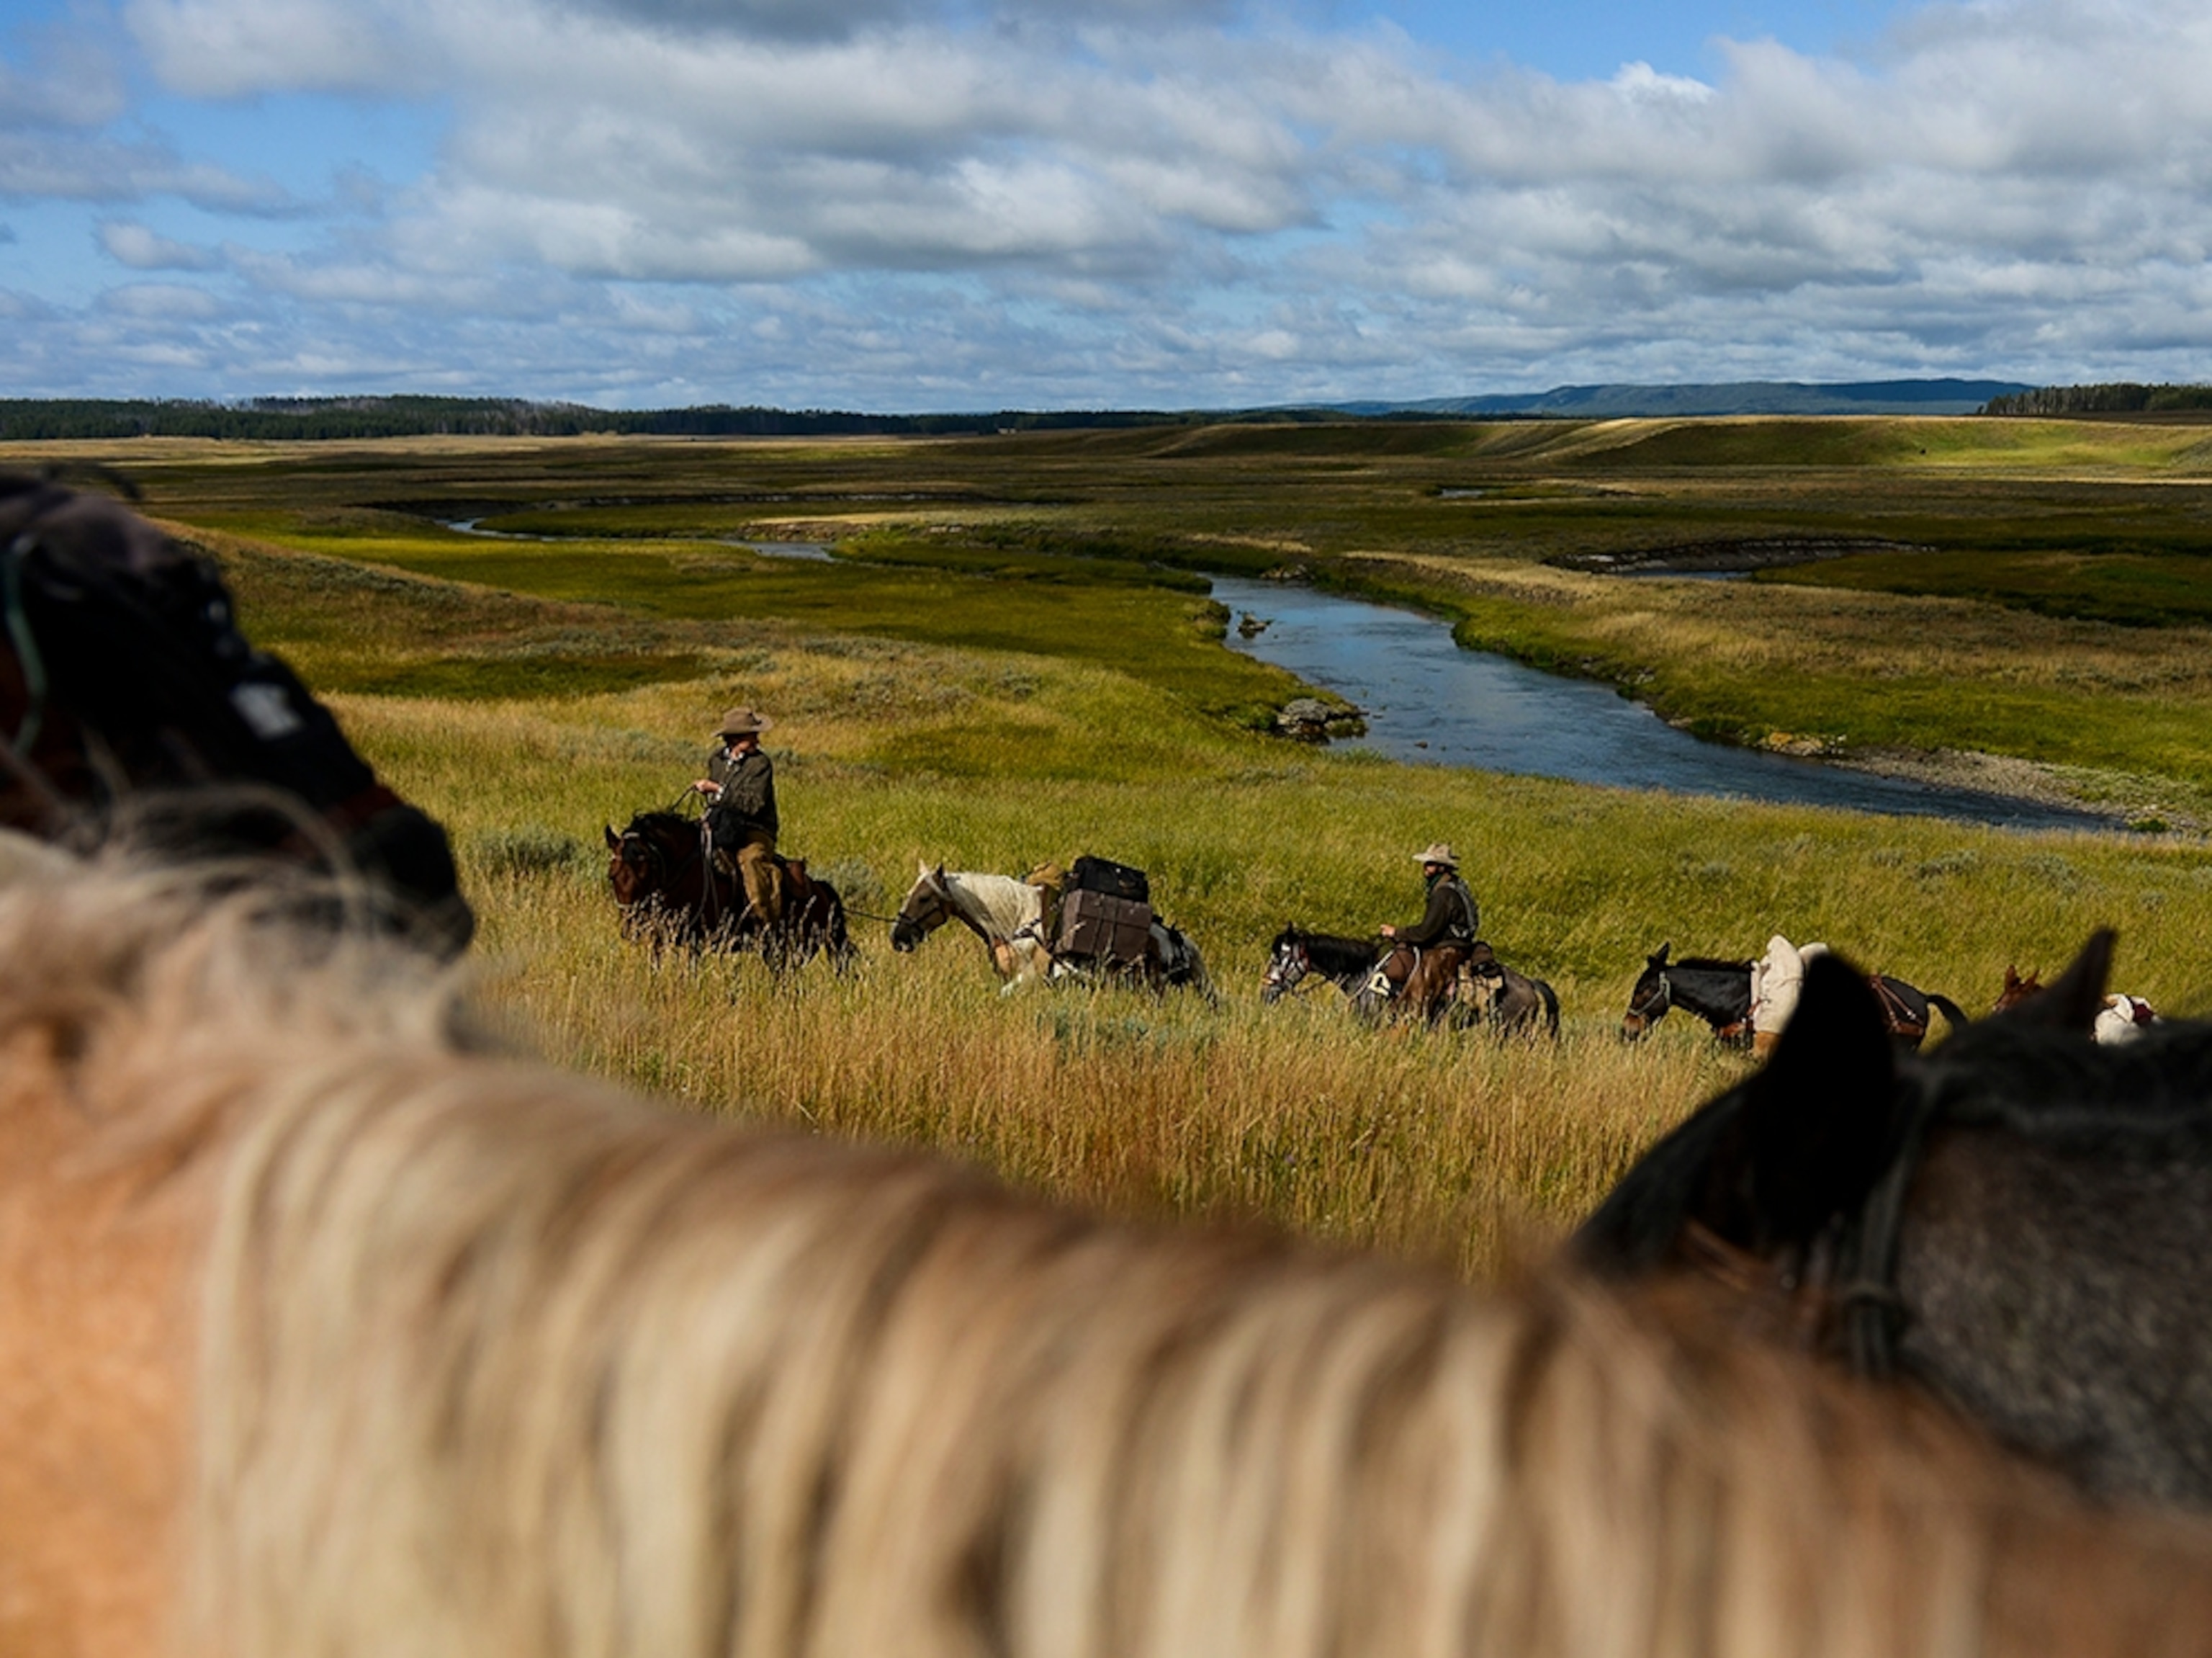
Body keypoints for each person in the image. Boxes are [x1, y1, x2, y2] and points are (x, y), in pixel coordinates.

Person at [695, 707, 781, 927]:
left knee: (751, 860)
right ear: (734, 739)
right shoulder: (716, 760)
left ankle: (764, 922)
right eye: (752, 737)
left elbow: (754, 803)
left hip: (755, 829)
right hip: (722, 824)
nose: (757, 742)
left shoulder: (761, 764)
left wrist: (717, 789)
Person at [1380, 842, 1478, 950]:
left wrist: (1396, 933)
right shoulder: (1457, 885)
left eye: (1430, 864)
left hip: (1450, 944)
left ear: (1441, 868)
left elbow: (1425, 933)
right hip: (1463, 941)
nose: (1425, 867)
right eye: (1426, 863)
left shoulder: (1443, 894)